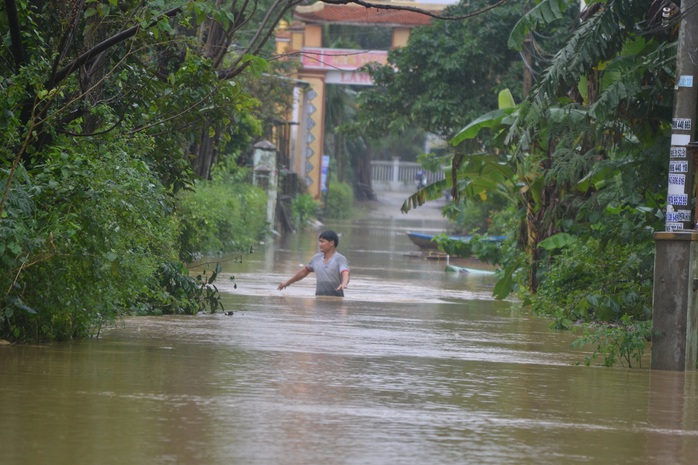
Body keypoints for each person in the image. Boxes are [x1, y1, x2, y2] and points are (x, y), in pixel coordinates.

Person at [278, 230, 350, 297]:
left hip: (336, 301)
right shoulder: (316, 259)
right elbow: (303, 272)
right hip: (319, 299)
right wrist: (287, 282)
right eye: (319, 242)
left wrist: (344, 283)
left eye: (322, 242)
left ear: (331, 243)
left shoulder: (340, 259)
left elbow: (345, 273)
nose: (319, 244)